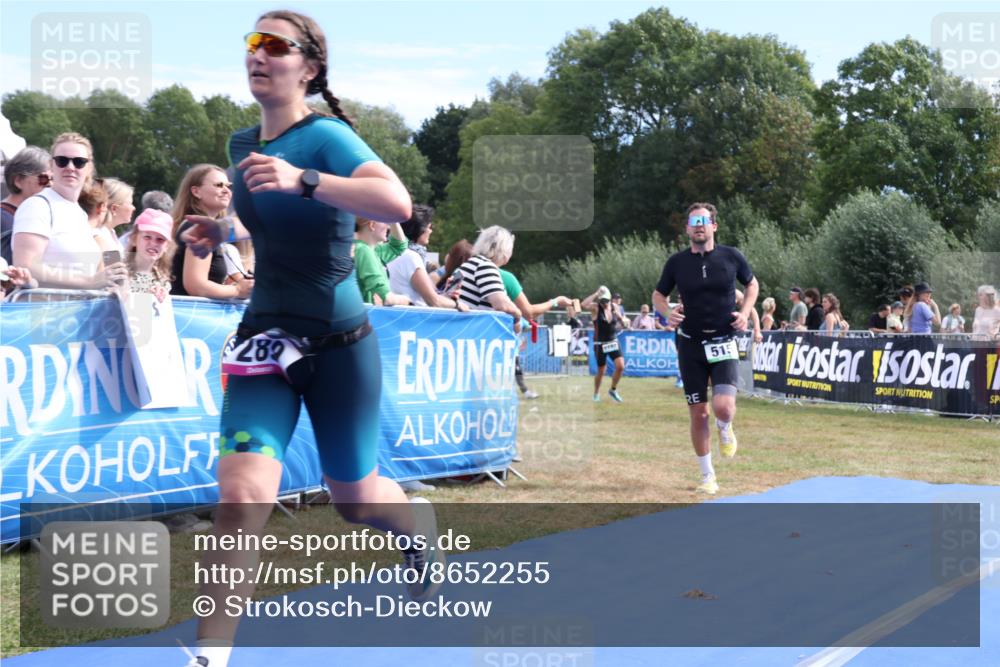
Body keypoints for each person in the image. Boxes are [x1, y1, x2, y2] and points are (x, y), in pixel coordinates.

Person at [178, 11, 444, 666]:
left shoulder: (324, 139)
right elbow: (264, 220)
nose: (258, 54)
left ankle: (416, 526)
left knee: (353, 500)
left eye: (276, 45)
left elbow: (396, 202)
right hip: (263, 337)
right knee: (241, 493)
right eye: (252, 42)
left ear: (310, 67)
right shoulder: (243, 144)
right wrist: (223, 235)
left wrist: (310, 181)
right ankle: (211, 657)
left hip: (340, 343)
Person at [652, 202, 757, 496]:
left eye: (704, 220)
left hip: (723, 340)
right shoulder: (677, 262)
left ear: (714, 225)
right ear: (687, 228)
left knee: (722, 406)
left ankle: (726, 427)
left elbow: (752, 285)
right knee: (698, 414)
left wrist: (746, 312)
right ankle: (707, 476)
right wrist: (666, 312)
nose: (699, 225)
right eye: (694, 221)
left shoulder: (731, 256)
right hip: (690, 343)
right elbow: (659, 294)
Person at [12, 132, 127, 289]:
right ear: (51, 165)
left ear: (89, 167)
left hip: (81, 310)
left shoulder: (80, 214)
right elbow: (25, 266)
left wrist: (151, 290)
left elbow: (110, 275)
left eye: (79, 162)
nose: (70, 167)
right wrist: (90, 282)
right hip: (46, 310)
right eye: (62, 161)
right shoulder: (37, 206)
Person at [171, 163, 253, 299]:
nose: (227, 190)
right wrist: (238, 290)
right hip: (188, 317)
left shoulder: (194, 226)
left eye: (229, 186)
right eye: (219, 185)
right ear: (196, 191)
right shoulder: (197, 227)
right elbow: (196, 286)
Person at [499, 266, 572, 400]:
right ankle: (519, 392)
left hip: (509, 348)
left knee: (516, 371)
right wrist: (554, 302)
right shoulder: (509, 306)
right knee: (512, 371)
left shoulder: (516, 313)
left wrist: (524, 335)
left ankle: (523, 392)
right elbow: (530, 313)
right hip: (503, 348)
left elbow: (529, 321)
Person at [387, 204, 465, 309]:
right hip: (412, 320)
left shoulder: (395, 252)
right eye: (429, 227)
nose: (431, 231)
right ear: (420, 230)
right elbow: (434, 301)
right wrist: (457, 304)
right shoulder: (411, 257)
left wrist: (446, 295)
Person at [456, 226, 522, 328]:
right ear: (504, 250)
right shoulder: (485, 266)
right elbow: (501, 304)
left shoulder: (470, 263)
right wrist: (518, 316)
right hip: (472, 330)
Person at [1, 146, 51, 264]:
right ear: (18, 181)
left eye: (53, 179)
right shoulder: (4, 219)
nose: (50, 185)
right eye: (43, 179)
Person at [582, 285, 627, 402]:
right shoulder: (596, 308)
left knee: (621, 366)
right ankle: (596, 394)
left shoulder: (615, 307)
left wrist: (621, 320)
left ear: (610, 299)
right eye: (602, 301)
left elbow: (623, 323)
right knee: (601, 371)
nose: (604, 303)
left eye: (606, 301)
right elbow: (583, 305)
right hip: (600, 343)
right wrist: (596, 294)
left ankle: (613, 390)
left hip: (613, 341)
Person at [354, 215, 409, 305]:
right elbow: (386, 297)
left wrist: (392, 216)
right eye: (385, 222)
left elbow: (399, 245)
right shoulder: (364, 251)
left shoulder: (370, 250)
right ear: (372, 225)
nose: (388, 227)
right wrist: (407, 301)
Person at [123, 208, 174, 299]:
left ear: (167, 246)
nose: (153, 243)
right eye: (147, 237)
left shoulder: (162, 279)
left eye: (160, 239)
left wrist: (160, 297)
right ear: (134, 239)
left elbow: (147, 312)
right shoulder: (118, 268)